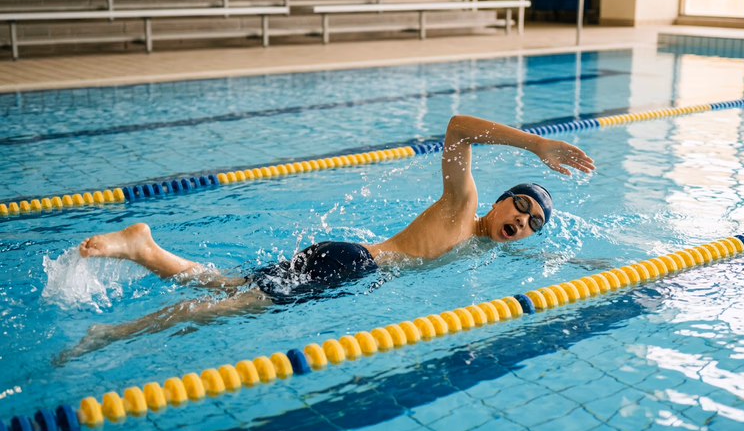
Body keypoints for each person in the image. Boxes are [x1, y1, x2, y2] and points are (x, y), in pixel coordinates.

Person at [60, 115, 594, 362]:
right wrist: (534, 145)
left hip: (347, 262)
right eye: (520, 206)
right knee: (225, 309)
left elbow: (558, 255)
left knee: (227, 287)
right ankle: (113, 333)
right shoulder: (466, 207)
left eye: (532, 224)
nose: (522, 222)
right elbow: (457, 128)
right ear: (501, 199)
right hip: (352, 265)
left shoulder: (483, 242)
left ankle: (142, 246)